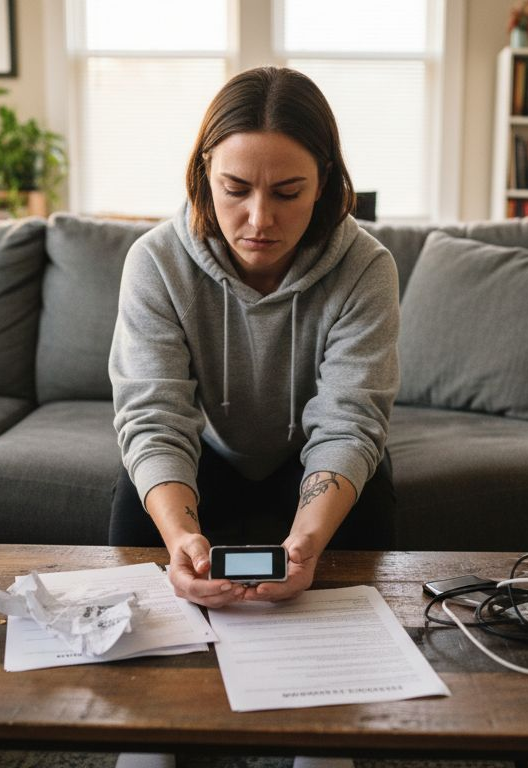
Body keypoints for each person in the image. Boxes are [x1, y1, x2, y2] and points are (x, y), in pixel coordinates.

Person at [108, 66, 401, 611]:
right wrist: (180, 540)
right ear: (205, 173)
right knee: (140, 564)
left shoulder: (366, 268)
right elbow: (154, 418)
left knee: (360, 586)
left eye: (288, 192)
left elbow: (350, 421)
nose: (259, 219)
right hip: (205, 454)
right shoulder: (155, 262)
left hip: (315, 460)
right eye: (235, 190)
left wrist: (308, 543)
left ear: (324, 181)